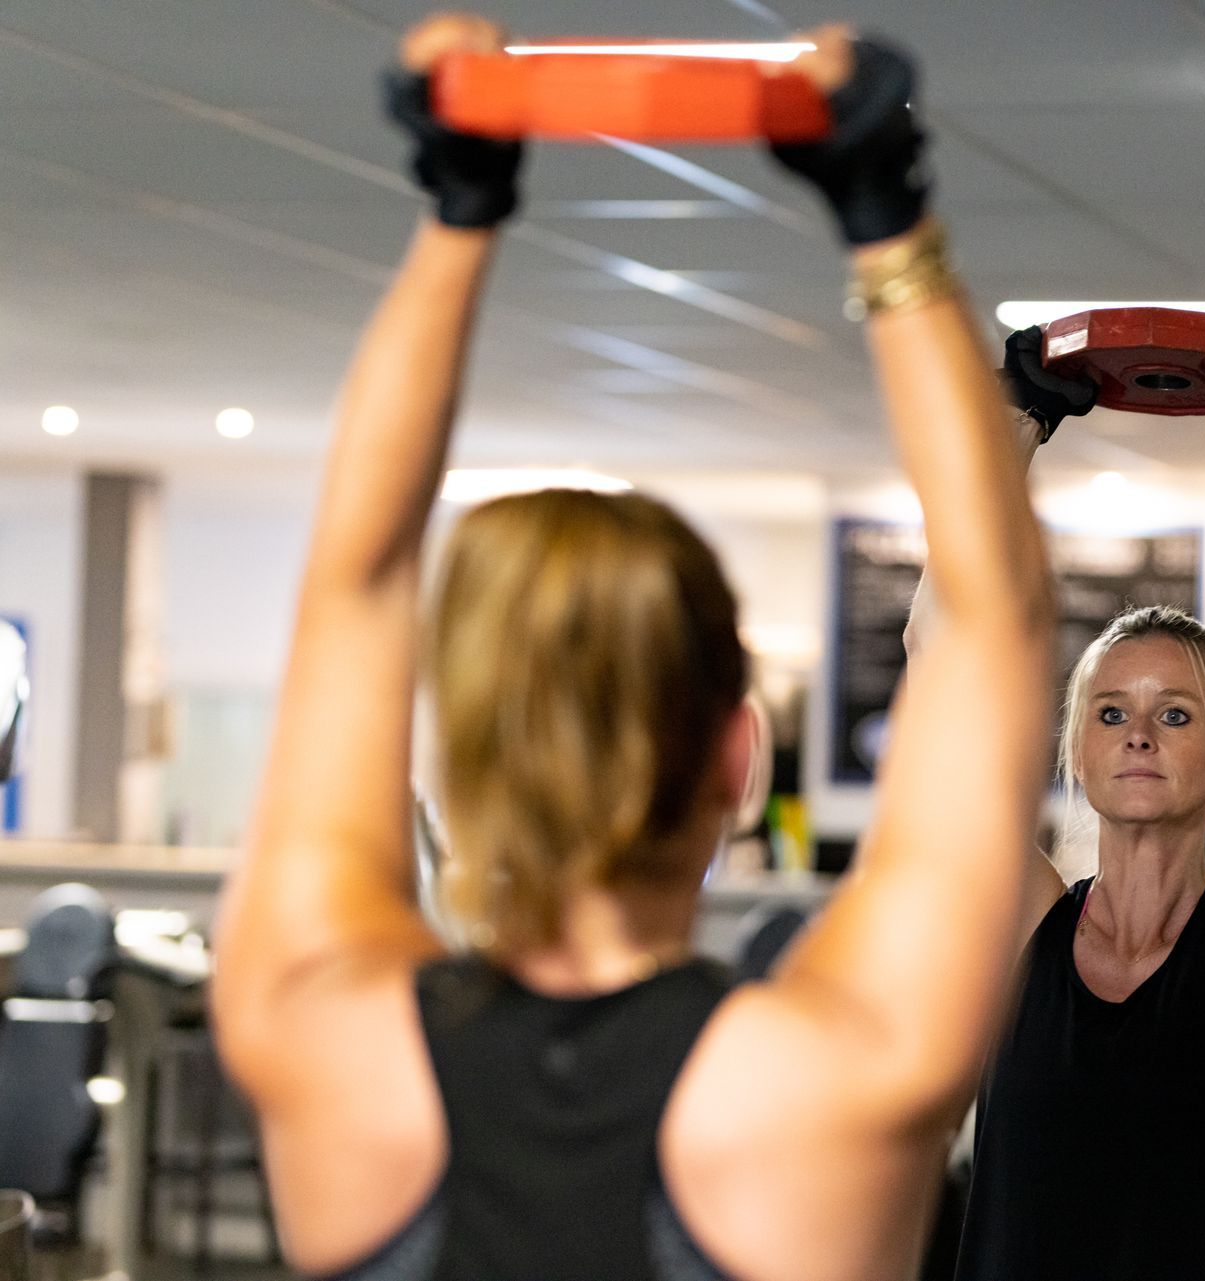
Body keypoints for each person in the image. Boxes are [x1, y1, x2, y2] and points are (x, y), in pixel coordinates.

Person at [211, 16, 1055, 1281]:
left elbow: (354, 585)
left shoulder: (315, 1029)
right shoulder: (839, 1076)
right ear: (737, 750)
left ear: (453, 759)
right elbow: (997, 617)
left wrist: (459, 209)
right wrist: (888, 221)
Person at [910, 316, 1205, 1281]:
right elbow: (930, 661)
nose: (1140, 732)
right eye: (1110, 711)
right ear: (1077, 748)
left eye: (1177, 714)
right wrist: (1015, 426)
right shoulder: (1020, 925)